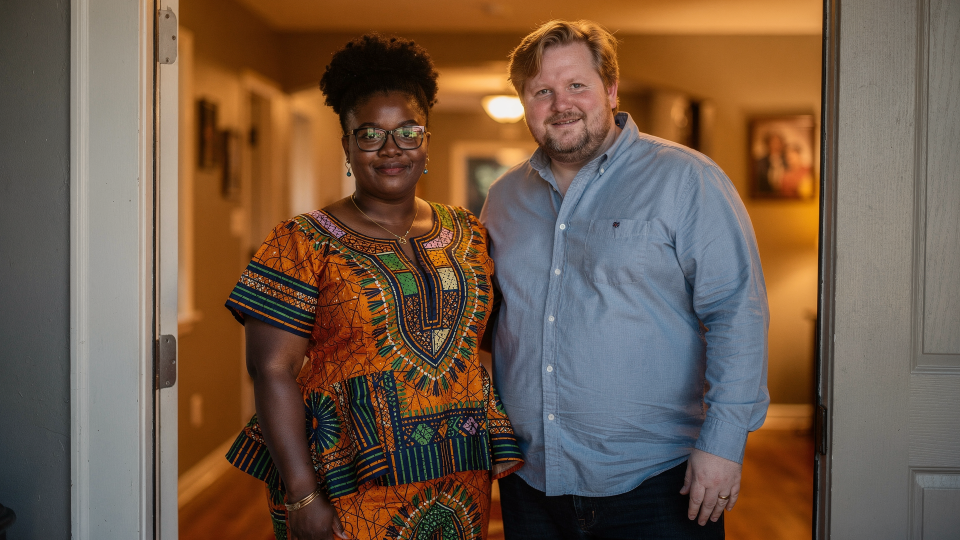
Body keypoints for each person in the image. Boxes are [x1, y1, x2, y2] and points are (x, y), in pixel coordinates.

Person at [224, 34, 523, 540]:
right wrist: (302, 492)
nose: (391, 149)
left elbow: (489, 338)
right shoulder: (301, 241)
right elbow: (270, 369)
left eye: (408, 131)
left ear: (427, 139)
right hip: (346, 477)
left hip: (457, 470)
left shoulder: (469, 231)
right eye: (369, 134)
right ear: (347, 144)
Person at [480, 20, 770, 539]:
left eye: (576, 86)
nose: (560, 103)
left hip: (659, 485)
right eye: (541, 91)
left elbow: (736, 311)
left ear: (610, 89)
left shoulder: (687, 179)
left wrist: (723, 445)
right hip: (529, 480)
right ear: (525, 101)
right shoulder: (503, 199)